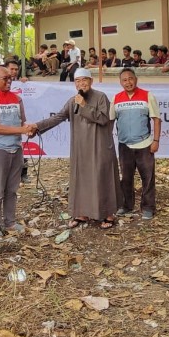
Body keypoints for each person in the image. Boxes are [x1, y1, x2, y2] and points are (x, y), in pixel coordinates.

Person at [31, 68, 122, 229]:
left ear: (91, 81)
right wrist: (37, 126)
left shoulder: (100, 97)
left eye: (84, 80)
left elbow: (103, 119)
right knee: (81, 179)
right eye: (78, 81)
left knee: (102, 178)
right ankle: (82, 213)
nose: (81, 84)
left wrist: (85, 105)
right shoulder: (73, 101)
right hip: (80, 147)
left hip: (99, 147)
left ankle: (108, 214)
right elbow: (58, 117)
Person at [0, 66, 35, 242]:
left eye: (10, 78)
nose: (9, 81)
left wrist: (28, 128)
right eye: (5, 78)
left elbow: (23, 121)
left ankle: (10, 221)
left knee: (12, 189)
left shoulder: (16, 98)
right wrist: (21, 129)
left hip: (16, 149)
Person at [110, 68, 161, 220]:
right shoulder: (116, 98)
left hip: (144, 145)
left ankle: (148, 207)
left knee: (148, 178)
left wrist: (156, 141)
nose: (128, 82)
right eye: (124, 80)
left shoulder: (147, 95)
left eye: (130, 78)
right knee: (126, 178)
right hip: (124, 146)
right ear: (120, 82)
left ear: (136, 79)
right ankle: (126, 206)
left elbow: (156, 119)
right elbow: (110, 121)